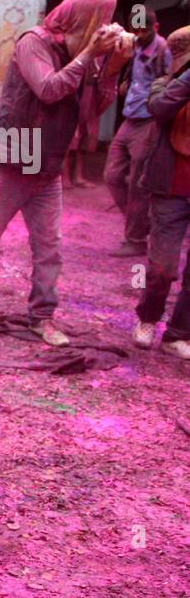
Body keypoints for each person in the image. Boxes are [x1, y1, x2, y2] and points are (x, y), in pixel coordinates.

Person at [0, 0, 132, 347]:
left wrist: (112, 68)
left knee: (50, 247)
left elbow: (92, 109)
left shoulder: (82, 51)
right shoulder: (34, 42)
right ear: (84, 19)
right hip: (17, 152)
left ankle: (42, 317)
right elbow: (50, 89)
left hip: (49, 160)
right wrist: (89, 55)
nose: (107, 26)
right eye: (102, 19)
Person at [132, 25, 190, 360]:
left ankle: (178, 333)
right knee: (162, 268)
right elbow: (158, 109)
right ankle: (148, 318)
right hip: (170, 190)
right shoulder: (163, 86)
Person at [104, 11, 171, 256]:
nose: (140, 35)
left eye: (145, 30)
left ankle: (135, 239)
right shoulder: (131, 45)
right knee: (112, 176)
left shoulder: (164, 49)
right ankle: (144, 225)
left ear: (156, 26)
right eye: (137, 30)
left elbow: (173, 81)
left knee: (137, 183)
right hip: (129, 118)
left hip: (148, 120)